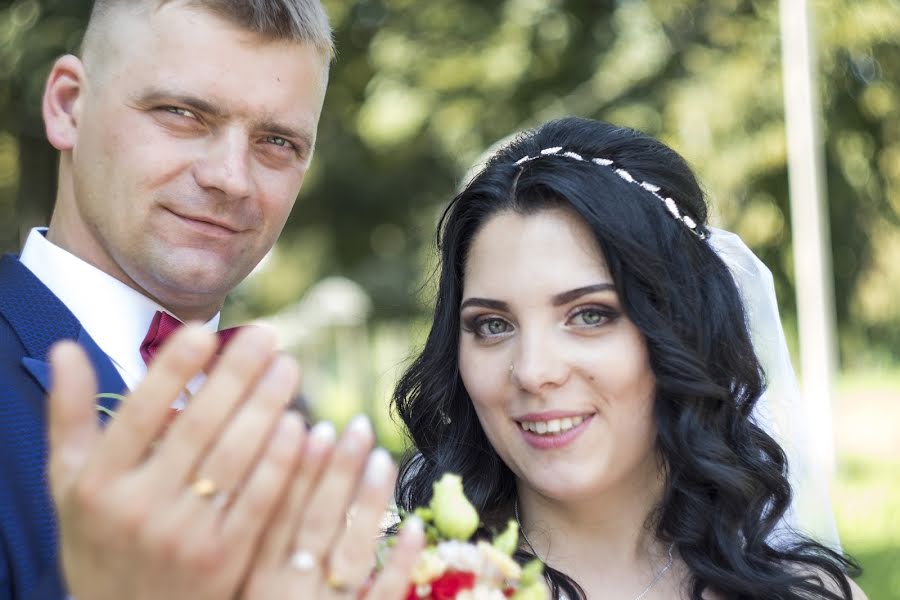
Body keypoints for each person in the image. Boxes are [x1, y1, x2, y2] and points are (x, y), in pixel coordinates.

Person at [0, 1, 424, 598]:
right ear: (69, 105)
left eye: (277, 141)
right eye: (181, 114)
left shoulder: (289, 430)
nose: (231, 177)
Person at [392, 117, 866, 599]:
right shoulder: (392, 581)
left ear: (682, 328)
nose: (534, 371)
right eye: (493, 325)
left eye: (590, 315)